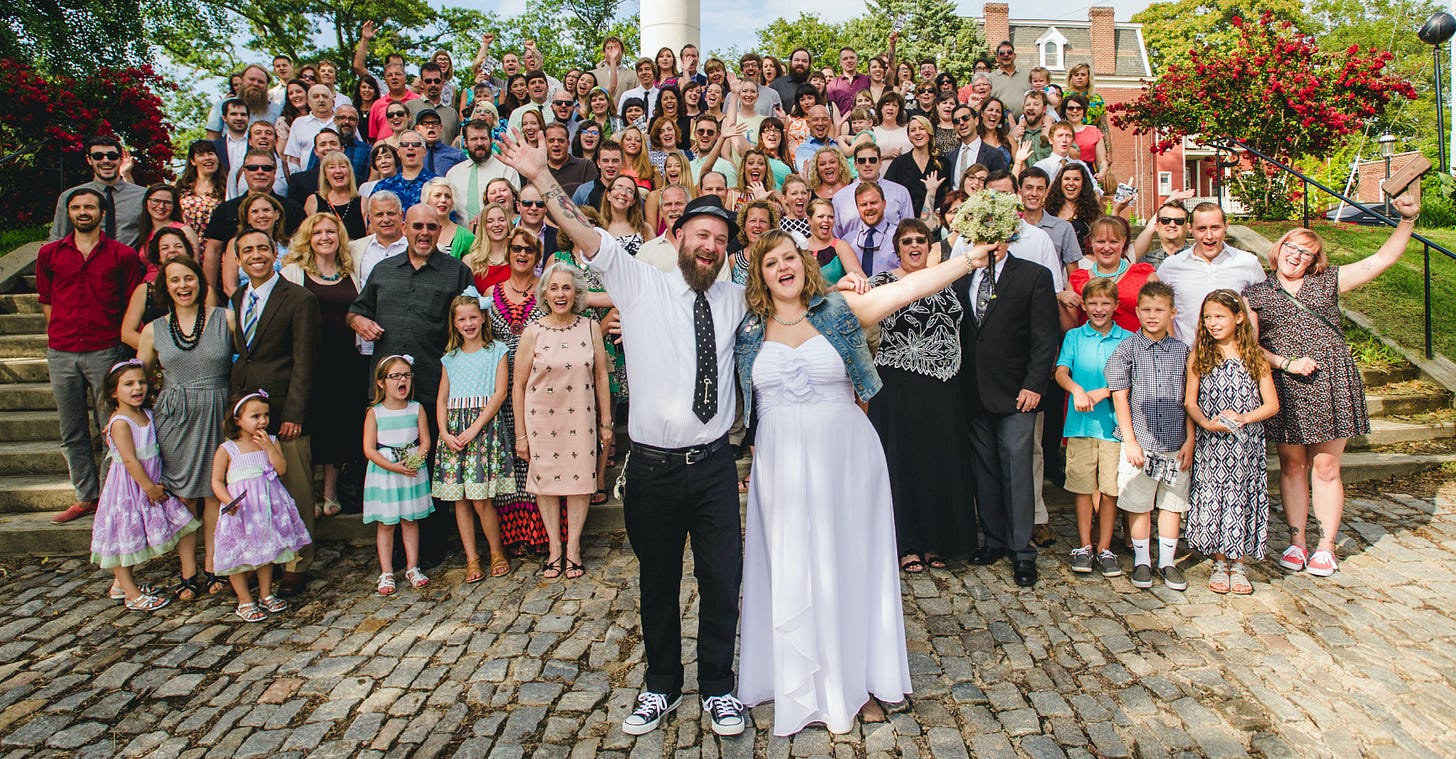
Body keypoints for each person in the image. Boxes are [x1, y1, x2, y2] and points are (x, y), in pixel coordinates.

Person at [497, 131, 753, 736]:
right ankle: (661, 684)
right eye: (701, 234)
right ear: (678, 237)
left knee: (722, 580)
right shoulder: (637, 281)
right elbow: (582, 232)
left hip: (714, 466)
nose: (710, 245)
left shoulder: (741, 297)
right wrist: (540, 178)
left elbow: (799, 299)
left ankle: (718, 686)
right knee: (656, 580)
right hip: (654, 470)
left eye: (720, 238)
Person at [736, 228, 992, 735]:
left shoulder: (838, 311)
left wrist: (968, 259)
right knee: (794, 565)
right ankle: (796, 680)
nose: (782, 267)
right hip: (780, 466)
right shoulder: (746, 328)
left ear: (805, 262)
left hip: (846, 458)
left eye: (790, 257)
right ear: (760, 276)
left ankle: (853, 682)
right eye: (771, 263)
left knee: (846, 565)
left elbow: (909, 289)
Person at [1243, 195, 1419, 578]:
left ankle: (1326, 544)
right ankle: (1297, 540)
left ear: (1313, 259)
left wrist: (1407, 221)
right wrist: (1284, 362)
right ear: (1279, 250)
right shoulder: (1256, 293)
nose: (1297, 255)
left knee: (1325, 466)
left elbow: (1381, 260)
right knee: (1291, 465)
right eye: (1291, 247)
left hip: (1330, 381)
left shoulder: (1328, 281)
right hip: (1287, 385)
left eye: (1306, 252)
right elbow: (1250, 347)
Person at [348, 205, 476, 569]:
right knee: (387, 456)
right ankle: (394, 548)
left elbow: (470, 323)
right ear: (404, 228)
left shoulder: (456, 272)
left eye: (430, 227)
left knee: (429, 461)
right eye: (416, 226)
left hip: (434, 385)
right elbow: (356, 310)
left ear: (440, 231)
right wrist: (359, 321)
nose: (423, 232)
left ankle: (431, 546)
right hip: (387, 390)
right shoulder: (383, 270)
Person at [951, 216, 1060, 588]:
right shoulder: (962, 278)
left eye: (994, 233)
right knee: (984, 470)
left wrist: (1034, 384)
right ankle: (994, 540)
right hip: (973, 391)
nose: (988, 240)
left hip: (1018, 393)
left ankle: (1022, 550)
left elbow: (1045, 337)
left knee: (1017, 469)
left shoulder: (1034, 276)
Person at [865, 220, 975, 573]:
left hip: (943, 389)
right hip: (896, 388)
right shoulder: (882, 283)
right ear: (897, 248)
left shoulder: (948, 283)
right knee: (903, 464)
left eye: (921, 240)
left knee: (937, 463)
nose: (915, 246)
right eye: (907, 241)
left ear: (930, 246)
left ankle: (936, 541)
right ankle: (906, 543)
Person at [40, 188, 146, 525]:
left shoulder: (122, 255)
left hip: (105, 350)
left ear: (102, 213)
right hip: (62, 351)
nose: (83, 212)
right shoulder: (50, 254)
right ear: (68, 213)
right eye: (76, 207)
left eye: (90, 207)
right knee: (71, 429)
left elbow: (132, 303)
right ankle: (86, 497)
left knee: (110, 428)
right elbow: (47, 300)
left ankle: (111, 495)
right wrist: (59, 333)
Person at [229, 226, 322, 596]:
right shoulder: (237, 297)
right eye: (247, 250)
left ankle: (297, 562)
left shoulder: (299, 299)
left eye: (262, 249)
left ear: (275, 254)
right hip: (246, 416)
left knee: (295, 489)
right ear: (238, 259)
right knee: (256, 492)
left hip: (286, 413)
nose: (256, 255)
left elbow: (306, 362)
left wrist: (295, 414)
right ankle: (262, 557)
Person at [137, 255, 234, 596]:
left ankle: (214, 567)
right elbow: (139, 379)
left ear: (199, 281)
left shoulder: (226, 319)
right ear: (165, 287)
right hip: (176, 417)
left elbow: (249, 364)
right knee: (184, 497)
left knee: (214, 493)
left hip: (218, 412)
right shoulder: (153, 329)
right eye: (175, 280)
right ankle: (187, 571)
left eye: (188, 278)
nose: (183, 286)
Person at [512, 263, 613, 579]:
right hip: (541, 419)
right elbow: (517, 384)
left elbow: (600, 375)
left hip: (580, 416)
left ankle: (573, 548)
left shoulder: (590, 327)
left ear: (577, 293)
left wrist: (607, 421)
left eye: (566, 288)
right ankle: (555, 548)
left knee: (580, 482)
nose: (560, 294)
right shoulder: (533, 332)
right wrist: (520, 434)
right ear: (544, 292)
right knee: (547, 484)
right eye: (554, 288)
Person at [1185, 290, 1279, 594]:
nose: (1213, 323)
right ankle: (1219, 560)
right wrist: (1205, 423)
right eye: (1208, 317)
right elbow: (1189, 401)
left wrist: (1244, 417)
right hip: (1211, 443)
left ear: (1238, 318)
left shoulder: (1254, 356)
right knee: (1214, 497)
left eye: (1220, 316)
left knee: (1240, 497)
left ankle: (1239, 563)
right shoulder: (1200, 354)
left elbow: (1271, 405)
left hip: (1245, 444)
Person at [89, 360, 201, 611]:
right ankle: (130, 592)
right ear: (113, 392)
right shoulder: (120, 422)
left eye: (141, 382)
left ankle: (120, 585)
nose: (137, 388)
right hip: (130, 488)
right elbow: (129, 459)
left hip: (153, 482)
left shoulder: (147, 414)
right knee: (123, 537)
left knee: (183, 522)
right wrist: (149, 487)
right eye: (128, 384)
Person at [1106, 281, 1194, 591]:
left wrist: (1189, 440)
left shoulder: (1184, 352)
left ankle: (1167, 562)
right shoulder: (1127, 348)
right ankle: (1142, 560)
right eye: (1146, 310)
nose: (1152, 316)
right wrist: (1129, 440)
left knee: (1172, 504)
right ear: (1137, 311)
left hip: (1174, 442)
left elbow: (1189, 400)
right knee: (1139, 503)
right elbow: (1120, 395)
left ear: (1173, 312)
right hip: (1140, 443)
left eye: (1159, 310)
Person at [280, 213, 366, 518]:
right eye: (318, 232)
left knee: (339, 426)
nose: (325, 237)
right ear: (308, 238)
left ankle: (330, 492)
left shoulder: (350, 272)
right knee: (313, 423)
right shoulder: (293, 273)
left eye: (331, 231)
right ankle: (311, 494)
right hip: (310, 360)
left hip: (345, 361)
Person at [209, 390, 314, 621]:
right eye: (255, 416)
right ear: (238, 420)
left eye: (265, 415)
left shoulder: (271, 441)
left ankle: (266, 594)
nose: (262, 421)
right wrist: (227, 501)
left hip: (265, 509)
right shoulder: (228, 449)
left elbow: (281, 469)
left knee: (266, 553)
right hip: (241, 511)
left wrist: (268, 447)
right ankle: (245, 600)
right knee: (238, 556)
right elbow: (216, 481)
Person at [1054, 277, 1132, 577]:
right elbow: (1061, 371)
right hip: (1080, 425)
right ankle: (1084, 545)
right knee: (1083, 487)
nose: (1099, 309)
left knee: (1109, 489)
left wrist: (1103, 391)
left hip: (1113, 426)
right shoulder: (1075, 336)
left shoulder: (1126, 339)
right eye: (1094, 304)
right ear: (1084, 306)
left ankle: (1105, 546)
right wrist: (1075, 389)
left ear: (1116, 306)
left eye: (1105, 303)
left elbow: (1129, 377)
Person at [435, 293, 514, 583]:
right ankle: (471, 558)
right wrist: (444, 432)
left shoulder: (497, 351)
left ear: (482, 318)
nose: (468, 323)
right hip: (454, 432)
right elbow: (442, 398)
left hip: (482, 429)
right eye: (462, 319)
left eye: (473, 317)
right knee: (461, 500)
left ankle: (496, 552)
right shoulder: (450, 358)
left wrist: (475, 428)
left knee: (481, 499)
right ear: (455, 324)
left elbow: (500, 393)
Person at [483, 229, 550, 556]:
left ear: (537, 256)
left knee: (536, 455)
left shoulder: (546, 292)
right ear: (508, 253)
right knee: (509, 457)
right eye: (516, 249)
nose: (522, 254)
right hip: (501, 387)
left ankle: (541, 532)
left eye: (528, 249)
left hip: (540, 387)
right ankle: (514, 535)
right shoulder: (491, 292)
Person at [363, 355, 435, 595]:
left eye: (406, 375)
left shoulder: (416, 409)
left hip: (411, 470)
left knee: (410, 520)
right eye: (395, 376)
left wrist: (415, 460)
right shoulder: (375, 413)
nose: (402, 380)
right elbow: (369, 449)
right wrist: (393, 466)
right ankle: (386, 572)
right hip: (387, 474)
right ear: (382, 382)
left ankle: (412, 567)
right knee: (386, 523)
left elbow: (425, 441)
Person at [1156, 203, 1264, 344]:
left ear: (1226, 226)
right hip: (1187, 356)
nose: (1209, 236)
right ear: (1190, 229)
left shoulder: (1248, 263)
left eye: (1215, 228)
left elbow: (1264, 310)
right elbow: (1157, 310)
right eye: (1201, 229)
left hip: (1236, 357)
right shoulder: (1171, 267)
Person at [51, 136, 146, 249]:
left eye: (112, 156)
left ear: (120, 159)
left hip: (130, 264)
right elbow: (58, 237)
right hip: (87, 264)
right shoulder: (70, 197)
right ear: (89, 159)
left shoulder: (143, 196)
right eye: (98, 156)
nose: (106, 161)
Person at [1067, 216, 1158, 331]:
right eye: (1100, 241)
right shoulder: (1078, 280)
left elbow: (1162, 317)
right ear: (1091, 242)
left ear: (1123, 241)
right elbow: (1069, 328)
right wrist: (1060, 298)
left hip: (1137, 347)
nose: (1106, 247)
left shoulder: (1144, 275)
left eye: (1113, 242)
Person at [447, 119, 522, 222]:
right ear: (465, 143)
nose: (479, 143)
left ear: (491, 140)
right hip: (463, 235)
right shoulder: (453, 173)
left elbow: (514, 208)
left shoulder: (507, 170)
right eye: (474, 139)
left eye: (483, 138)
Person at [885, 116, 948, 227]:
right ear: (909, 136)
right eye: (913, 130)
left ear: (929, 132)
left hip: (936, 225)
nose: (917, 133)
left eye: (921, 128)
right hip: (906, 225)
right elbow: (888, 193)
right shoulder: (899, 163)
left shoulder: (943, 163)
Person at [303, 151, 366, 239]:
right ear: (325, 174)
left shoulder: (363, 201)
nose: (338, 171)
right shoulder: (313, 201)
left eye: (343, 166)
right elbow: (306, 235)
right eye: (332, 167)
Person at [942, 105, 1009, 184]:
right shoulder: (950, 157)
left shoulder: (994, 155)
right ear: (954, 127)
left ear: (976, 121)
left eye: (965, 118)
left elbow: (1001, 185)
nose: (961, 123)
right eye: (957, 121)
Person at [376, 130, 437, 212]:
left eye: (416, 144)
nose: (410, 147)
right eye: (404, 145)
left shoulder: (437, 184)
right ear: (398, 152)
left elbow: (447, 221)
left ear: (424, 152)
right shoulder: (383, 186)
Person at [177, 139, 226, 236]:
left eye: (210, 154)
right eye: (201, 155)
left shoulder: (226, 187)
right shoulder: (181, 187)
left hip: (215, 246)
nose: (207, 158)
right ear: (193, 161)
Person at [1133, 194, 1195, 268]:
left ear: (1187, 227)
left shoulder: (1199, 258)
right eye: (1165, 220)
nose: (1172, 225)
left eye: (1179, 221)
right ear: (1156, 226)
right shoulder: (1145, 263)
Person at [421, 178, 475, 258]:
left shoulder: (466, 236)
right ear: (427, 200)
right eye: (437, 195)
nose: (443, 200)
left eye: (448, 196)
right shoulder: (416, 231)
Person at [987, 41, 1031, 120]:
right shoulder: (990, 78)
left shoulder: (1028, 76)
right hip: (1000, 124)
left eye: (1009, 52)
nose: (1006, 55)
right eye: (1002, 53)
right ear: (997, 58)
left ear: (1014, 56)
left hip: (1025, 123)